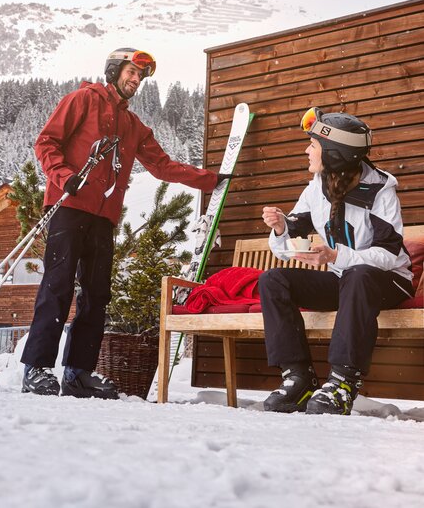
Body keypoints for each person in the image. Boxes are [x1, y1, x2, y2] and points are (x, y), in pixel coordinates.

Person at [21, 47, 230, 398]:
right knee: (58, 287)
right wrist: (63, 175)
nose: (135, 80)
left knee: (97, 294)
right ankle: (37, 368)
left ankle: (78, 373)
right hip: (69, 206)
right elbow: (46, 141)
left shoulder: (133, 126)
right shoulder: (82, 100)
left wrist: (211, 180)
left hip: (103, 217)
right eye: (131, 72)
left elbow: (163, 166)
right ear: (115, 70)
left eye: (140, 76)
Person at [260, 107, 414, 415]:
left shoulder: (380, 189)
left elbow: (389, 252)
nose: (307, 150)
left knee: (358, 274)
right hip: (345, 279)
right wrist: (281, 226)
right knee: (273, 280)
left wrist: (337, 255)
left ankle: (343, 382)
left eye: (313, 145)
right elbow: (297, 225)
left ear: (334, 153)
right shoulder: (317, 185)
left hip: (388, 281)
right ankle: (298, 378)